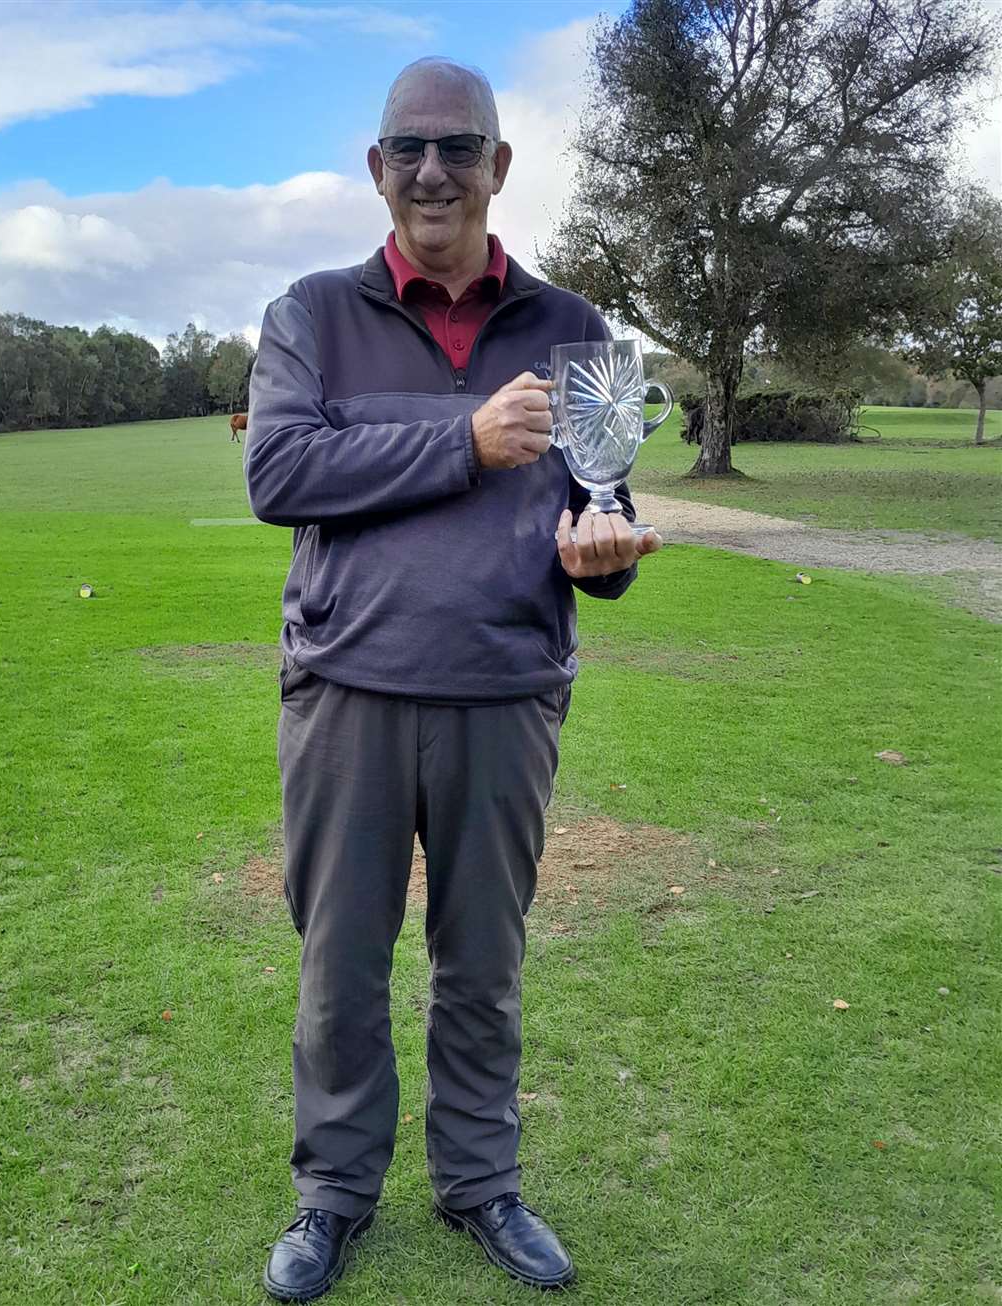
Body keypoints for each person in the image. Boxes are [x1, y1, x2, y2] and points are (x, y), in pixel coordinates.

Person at [244, 56, 661, 1303]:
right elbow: (281, 475)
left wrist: (606, 555)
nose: (435, 171)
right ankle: (333, 1194)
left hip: (503, 694)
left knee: (483, 961)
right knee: (341, 963)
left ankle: (481, 1185)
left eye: (460, 147)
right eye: (409, 149)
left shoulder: (582, 332)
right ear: (377, 171)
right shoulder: (306, 314)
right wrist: (464, 437)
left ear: (500, 166)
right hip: (348, 695)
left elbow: (609, 507)